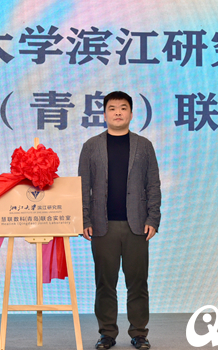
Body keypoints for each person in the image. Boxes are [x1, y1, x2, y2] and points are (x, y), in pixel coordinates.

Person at [78, 91, 161, 350]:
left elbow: (153, 184)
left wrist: (153, 218)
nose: (117, 112)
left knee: (138, 283)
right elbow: (83, 186)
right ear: (104, 114)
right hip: (102, 226)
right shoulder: (91, 146)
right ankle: (107, 334)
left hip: (137, 226)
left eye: (123, 108)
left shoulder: (144, 145)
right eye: (112, 108)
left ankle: (139, 333)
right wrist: (84, 219)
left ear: (131, 114)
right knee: (105, 284)